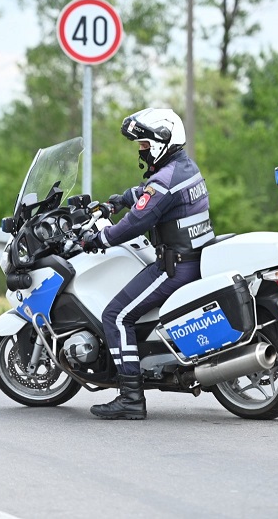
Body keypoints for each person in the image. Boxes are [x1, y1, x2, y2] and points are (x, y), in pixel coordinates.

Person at [81, 108, 215, 420]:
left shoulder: (165, 179)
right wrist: (119, 199)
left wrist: (96, 240)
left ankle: (130, 398)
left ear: (160, 143)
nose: (140, 151)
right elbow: (149, 194)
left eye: (143, 145)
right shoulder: (182, 167)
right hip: (195, 258)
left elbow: (134, 223)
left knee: (115, 316)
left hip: (175, 266)